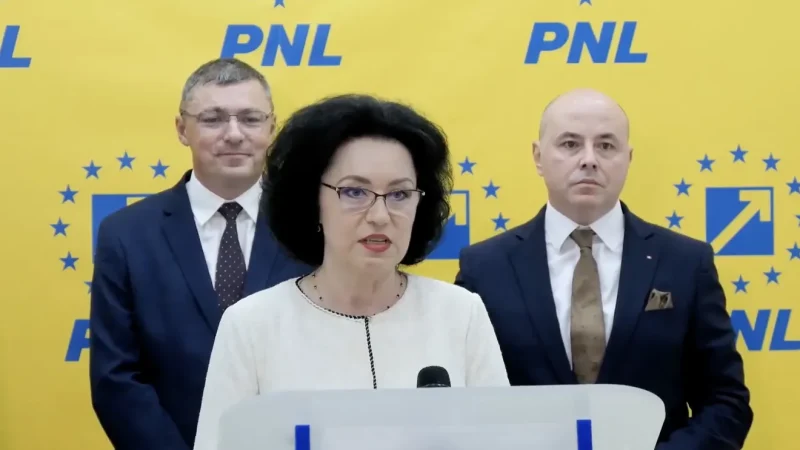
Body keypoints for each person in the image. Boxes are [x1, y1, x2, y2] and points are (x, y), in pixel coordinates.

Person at [192, 93, 510, 449]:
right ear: (313, 202)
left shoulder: (461, 314)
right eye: (356, 192)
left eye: (399, 194)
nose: (380, 215)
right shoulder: (252, 326)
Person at [454, 89, 753, 449]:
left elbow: (726, 401)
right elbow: (463, 406)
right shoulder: (485, 269)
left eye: (606, 146)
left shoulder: (686, 263)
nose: (589, 160)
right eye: (570, 144)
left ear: (628, 158)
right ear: (538, 156)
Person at [89, 58, 312, 450]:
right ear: (182, 129)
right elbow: (116, 378)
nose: (234, 134)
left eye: (251, 119)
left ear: (272, 127)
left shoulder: (313, 228)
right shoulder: (126, 235)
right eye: (213, 119)